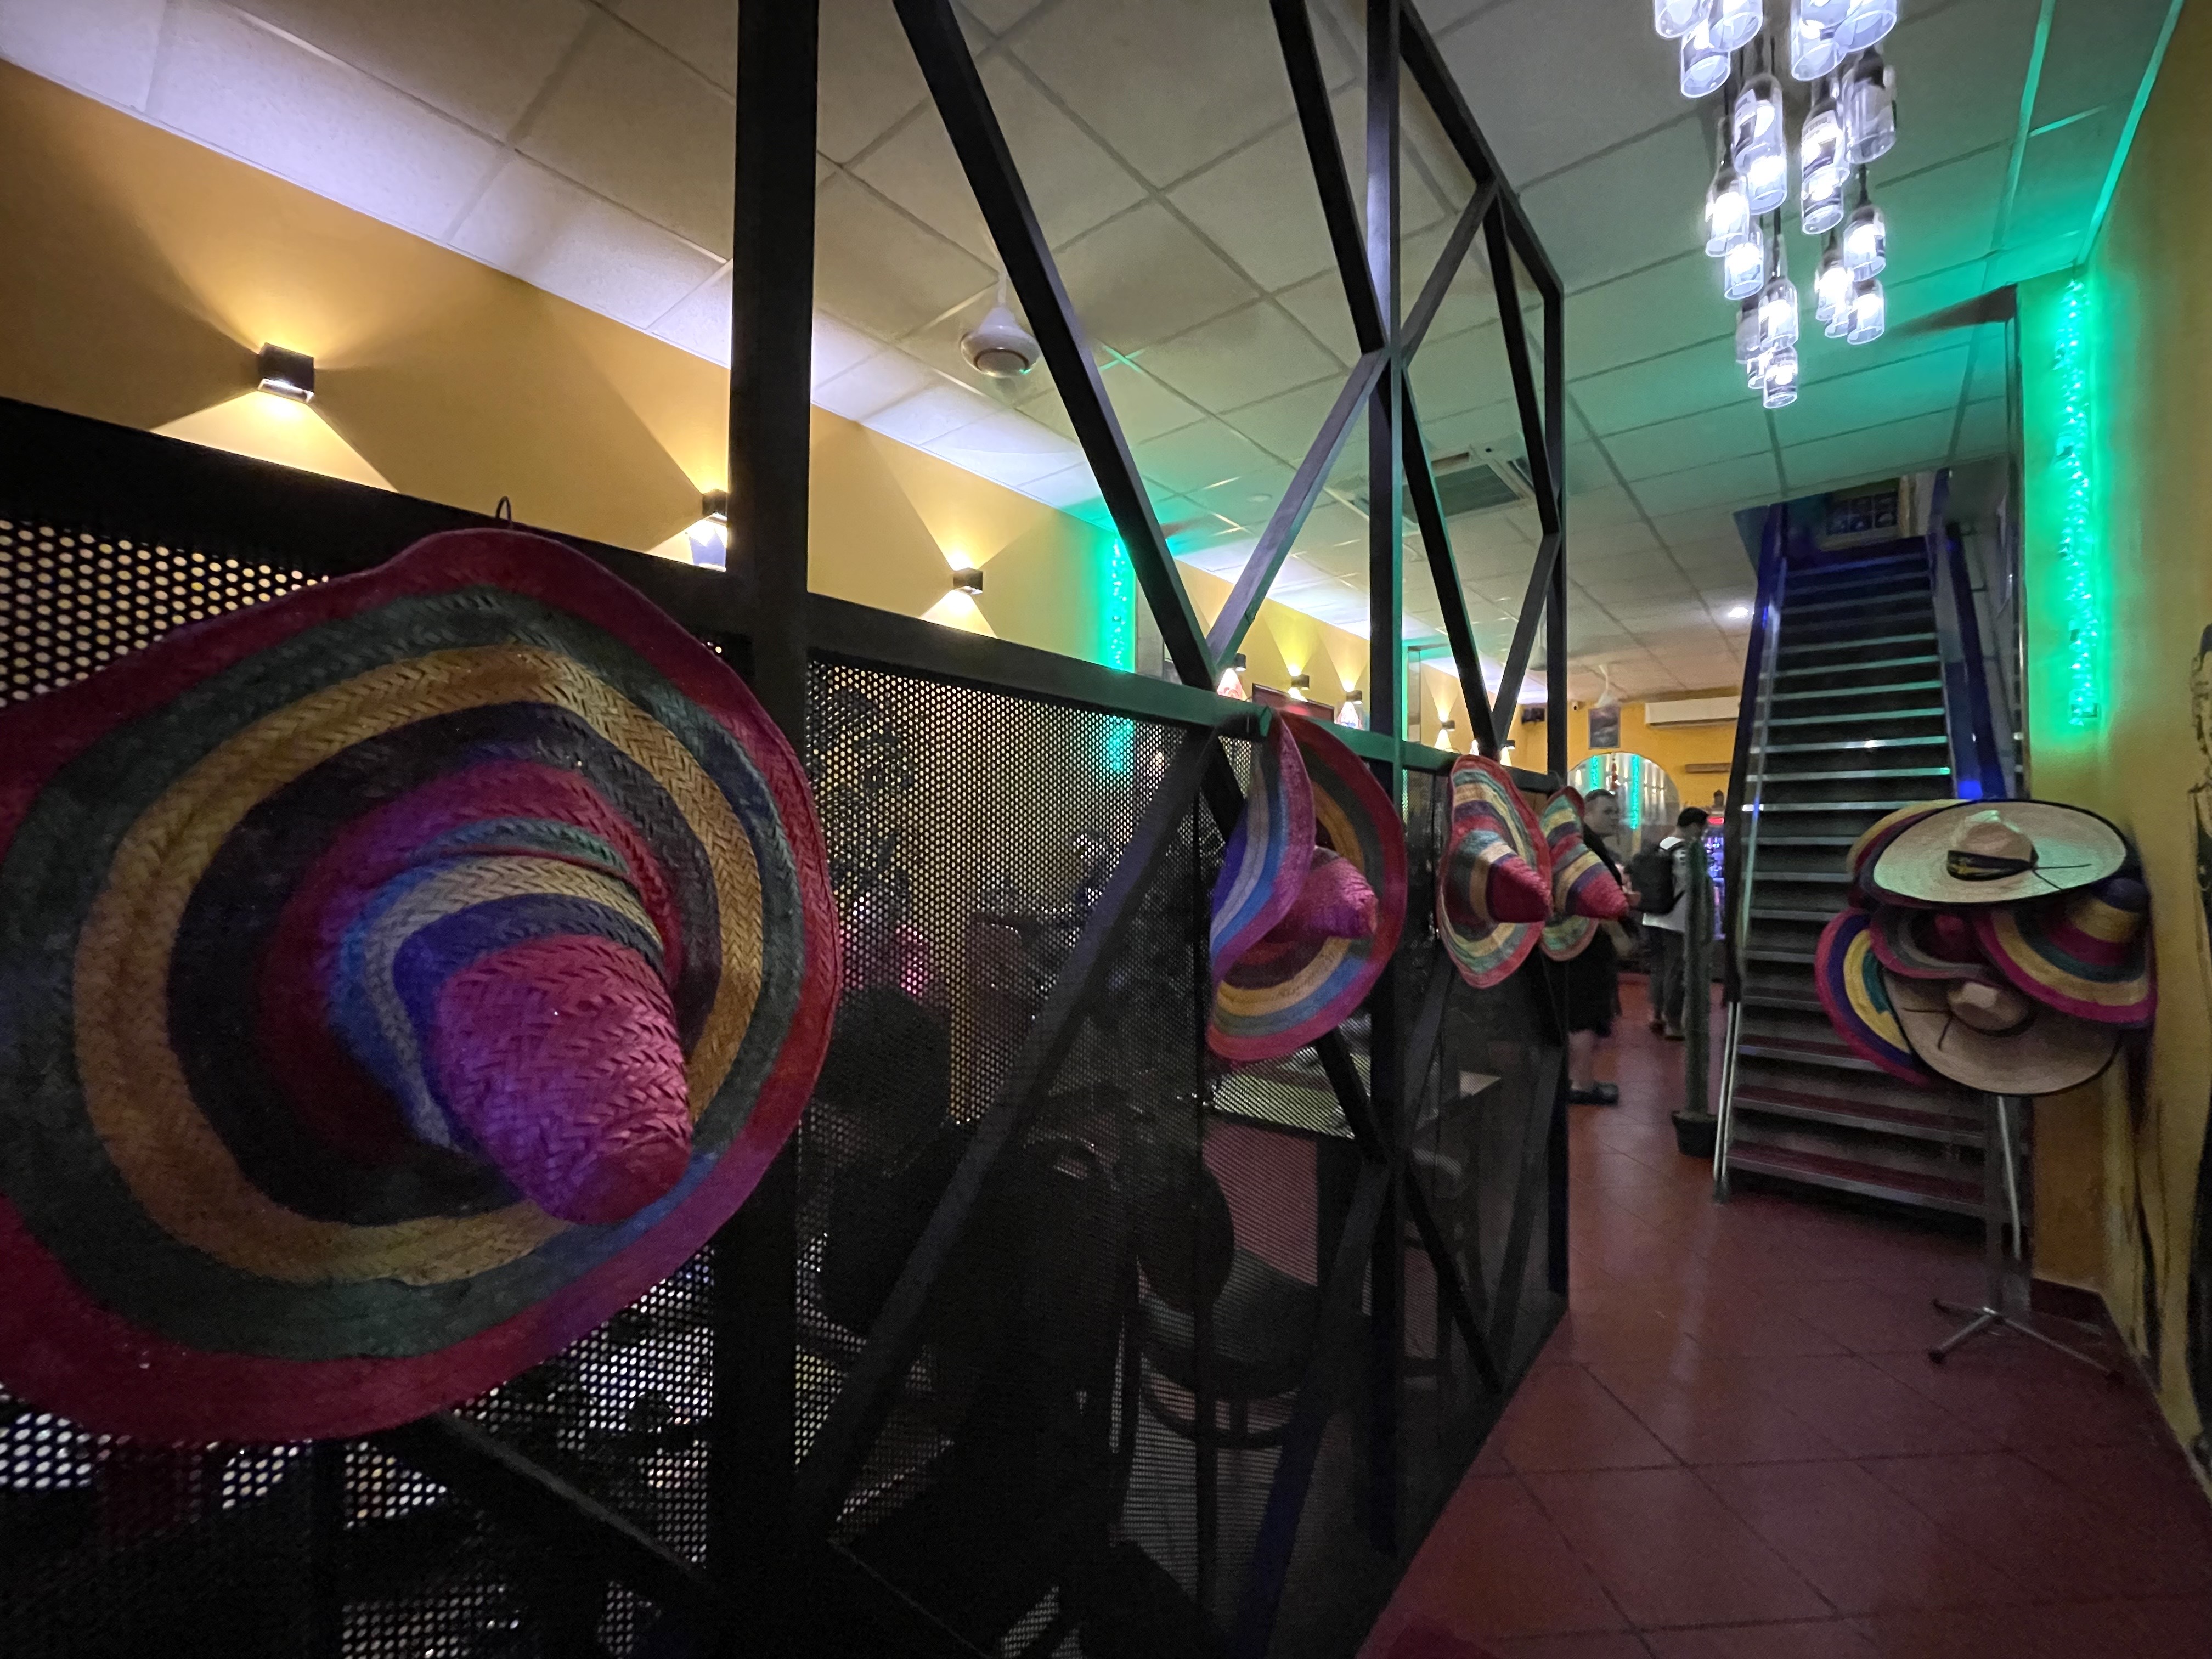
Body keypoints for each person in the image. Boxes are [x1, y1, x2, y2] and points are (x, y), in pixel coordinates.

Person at [1566, 788, 1633, 1105]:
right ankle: (1582, 1084)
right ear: (1587, 813)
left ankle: (1580, 1079)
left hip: (1582, 942)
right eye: (1607, 811)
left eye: (1617, 811)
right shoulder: (1586, 847)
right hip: (1587, 944)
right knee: (1585, 1015)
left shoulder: (1588, 845)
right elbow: (1592, 897)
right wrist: (1618, 934)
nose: (1615, 817)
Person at [1645, 806, 1710, 1040]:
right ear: (1692, 827)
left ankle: (1656, 1014)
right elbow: (1694, 883)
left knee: (1658, 967)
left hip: (1652, 917)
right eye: (1702, 830)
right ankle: (1673, 1022)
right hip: (1675, 919)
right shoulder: (1686, 851)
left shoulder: (1661, 845)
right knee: (1675, 970)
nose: (1702, 835)